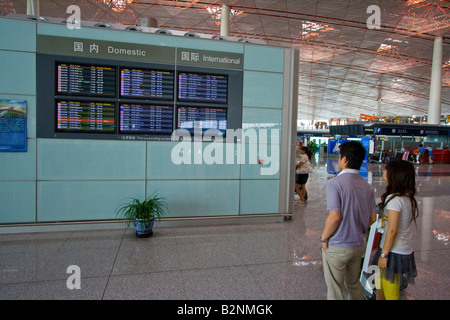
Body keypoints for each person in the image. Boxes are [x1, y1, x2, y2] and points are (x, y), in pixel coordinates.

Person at [321, 141, 377, 300]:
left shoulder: (334, 183)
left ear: (344, 159)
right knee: (353, 285)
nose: (338, 160)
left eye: (339, 157)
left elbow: (334, 217)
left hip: (338, 244)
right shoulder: (367, 186)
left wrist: (324, 238)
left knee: (335, 289)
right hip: (358, 245)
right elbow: (372, 218)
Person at [372, 160, 419, 300]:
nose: (383, 171)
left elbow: (392, 230)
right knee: (380, 286)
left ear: (396, 175)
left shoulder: (395, 200)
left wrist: (384, 255)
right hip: (394, 249)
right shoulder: (406, 197)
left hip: (392, 252)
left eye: (386, 169)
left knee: (390, 291)